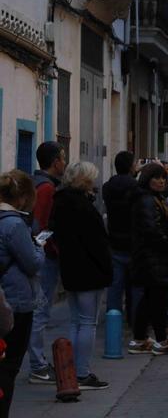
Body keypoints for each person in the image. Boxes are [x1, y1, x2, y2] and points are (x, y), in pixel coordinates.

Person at [50, 162, 112, 390]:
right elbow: (96, 242)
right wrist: (107, 268)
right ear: (84, 181)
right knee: (88, 323)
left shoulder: (61, 202)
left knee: (76, 322)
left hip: (71, 268)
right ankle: (82, 372)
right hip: (89, 271)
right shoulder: (82, 207)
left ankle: (72, 371)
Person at [0, 170, 44, 415]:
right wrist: (40, 249)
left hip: (4, 297)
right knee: (10, 364)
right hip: (14, 302)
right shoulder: (14, 224)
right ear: (23, 197)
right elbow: (32, 262)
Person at [128, 163, 168, 356]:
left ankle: (139, 338)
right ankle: (161, 340)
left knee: (149, 299)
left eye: (162, 177)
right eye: (156, 177)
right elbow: (153, 230)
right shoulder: (147, 201)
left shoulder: (154, 199)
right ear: (147, 179)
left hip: (153, 258)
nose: (160, 181)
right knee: (157, 301)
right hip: (155, 259)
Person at [27, 141, 66, 385]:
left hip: (36, 255)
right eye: (63, 158)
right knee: (39, 311)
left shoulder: (34, 183)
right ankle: (38, 365)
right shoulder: (47, 189)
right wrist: (52, 250)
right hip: (44, 259)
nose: (65, 162)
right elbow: (42, 225)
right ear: (55, 162)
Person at [102, 151, 138, 327]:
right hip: (133, 240)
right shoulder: (136, 187)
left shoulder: (107, 187)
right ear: (131, 166)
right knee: (135, 285)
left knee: (115, 286)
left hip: (115, 238)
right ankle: (134, 319)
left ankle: (112, 318)